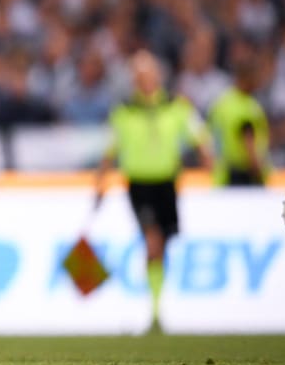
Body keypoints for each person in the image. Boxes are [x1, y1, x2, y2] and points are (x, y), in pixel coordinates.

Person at [94, 50, 214, 334]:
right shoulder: (124, 112)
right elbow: (110, 151)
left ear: (157, 76)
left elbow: (199, 139)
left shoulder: (177, 107)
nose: (144, 81)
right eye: (139, 76)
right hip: (139, 185)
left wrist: (209, 162)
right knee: (153, 240)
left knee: (162, 245)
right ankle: (156, 311)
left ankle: (157, 306)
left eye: (148, 75)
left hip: (167, 184)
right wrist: (100, 183)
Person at [208, 57, 269, 186]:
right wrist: (260, 174)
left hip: (221, 175)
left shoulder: (222, 103)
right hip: (243, 177)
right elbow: (249, 145)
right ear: (247, 78)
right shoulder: (246, 108)